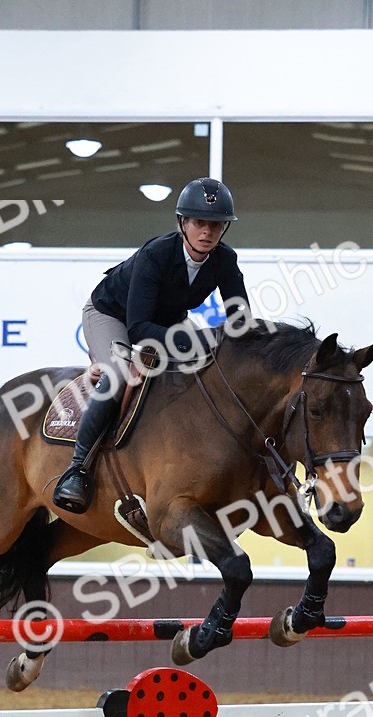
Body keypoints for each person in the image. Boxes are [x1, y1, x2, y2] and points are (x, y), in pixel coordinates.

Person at [52, 177, 252, 513]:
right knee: (117, 377)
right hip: (112, 315)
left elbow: (240, 322)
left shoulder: (224, 260)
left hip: (167, 321)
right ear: (183, 224)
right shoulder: (156, 254)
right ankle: (77, 468)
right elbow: (140, 328)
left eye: (216, 225)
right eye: (199, 223)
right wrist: (205, 338)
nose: (207, 232)